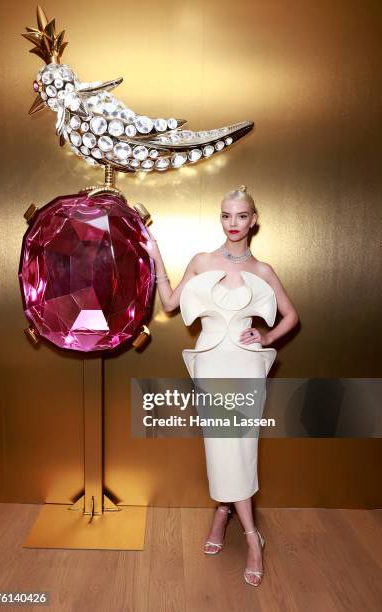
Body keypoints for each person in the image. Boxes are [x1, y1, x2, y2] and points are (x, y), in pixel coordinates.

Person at [139, 185, 299, 586]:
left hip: (245, 368)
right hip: (211, 366)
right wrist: (156, 256)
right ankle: (227, 515)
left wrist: (266, 338)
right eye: (226, 215)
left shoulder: (262, 271)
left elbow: (291, 317)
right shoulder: (202, 261)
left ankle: (249, 537)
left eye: (241, 216)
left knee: (240, 450)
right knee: (220, 449)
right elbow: (171, 304)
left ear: (253, 220)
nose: (233, 223)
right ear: (220, 218)